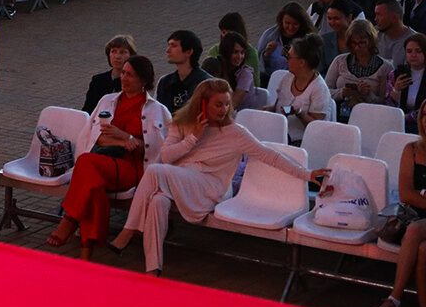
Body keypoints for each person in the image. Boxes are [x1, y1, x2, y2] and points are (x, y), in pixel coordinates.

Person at [108, 79, 327, 275]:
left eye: (227, 104)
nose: (224, 110)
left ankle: (129, 230)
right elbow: (166, 156)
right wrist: (193, 137)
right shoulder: (183, 123)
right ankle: (153, 269)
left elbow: (270, 156)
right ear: (202, 104)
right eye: (218, 104)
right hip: (182, 182)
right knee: (157, 201)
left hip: (212, 188)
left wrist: (307, 174)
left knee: (155, 171)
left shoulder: (236, 132)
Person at [50, 55, 169, 259]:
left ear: (143, 81)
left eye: (130, 75)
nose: (124, 78)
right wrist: (125, 142)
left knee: (86, 165)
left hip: (132, 169)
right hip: (101, 163)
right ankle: (86, 249)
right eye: (123, 73)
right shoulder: (107, 101)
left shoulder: (158, 111)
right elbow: (97, 139)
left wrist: (126, 138)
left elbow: (158, 151)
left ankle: (70, 218)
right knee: (93, 187)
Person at [367, 104, 426, 307]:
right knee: (422, 248)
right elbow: (405, 194)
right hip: (415, 218)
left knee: (414, 231)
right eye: (425, 115)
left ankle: (394, 301)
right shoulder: (411, 149)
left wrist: (419, 194)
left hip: (417, 226)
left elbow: (413, 193)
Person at [268, 34, 331, 144]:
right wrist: (262, 111)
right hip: (279, 134)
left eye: (288, 56)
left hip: (303, 142)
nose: (286, 59)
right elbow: (277, 107)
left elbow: (317, 128)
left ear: (302, 62)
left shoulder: (319, 89)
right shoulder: (288, 78)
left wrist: (301, 114)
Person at [325, 19, 392, 121]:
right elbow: (324, 92)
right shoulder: (339, 61)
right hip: (339, 116)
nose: (357, 47)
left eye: (362, 43)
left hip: (371, 119)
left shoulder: (385, 67)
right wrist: (342, 93)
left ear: (371, 41)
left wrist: (369, 95)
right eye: (353, 43)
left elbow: (386, 103)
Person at [155, 29, 212, 114]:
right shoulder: (165, 82)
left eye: (173, 46)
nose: (168, 50)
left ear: (189, 52)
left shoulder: (206, 84)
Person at [81, 34, 138, 113]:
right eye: (113, 51)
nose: (117, 56)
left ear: (131, 56)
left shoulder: (135, 82)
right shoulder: (98, 80)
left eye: (122, 52)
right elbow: (88, 110)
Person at [257, 2, 316, 77]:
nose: (291, 27)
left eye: (295, 24)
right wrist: (266, 54)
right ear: (281, 21)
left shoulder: (308, 40)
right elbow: (259, 64)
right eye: (287, 23)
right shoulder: (269, 35)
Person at [385, 33, 426, 133]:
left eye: (418, 51)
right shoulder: (395, 74)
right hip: (398, 123)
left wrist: (404, 118)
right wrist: (396, 91)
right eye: (409, 51)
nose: (413, 55)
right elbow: (388, 106)